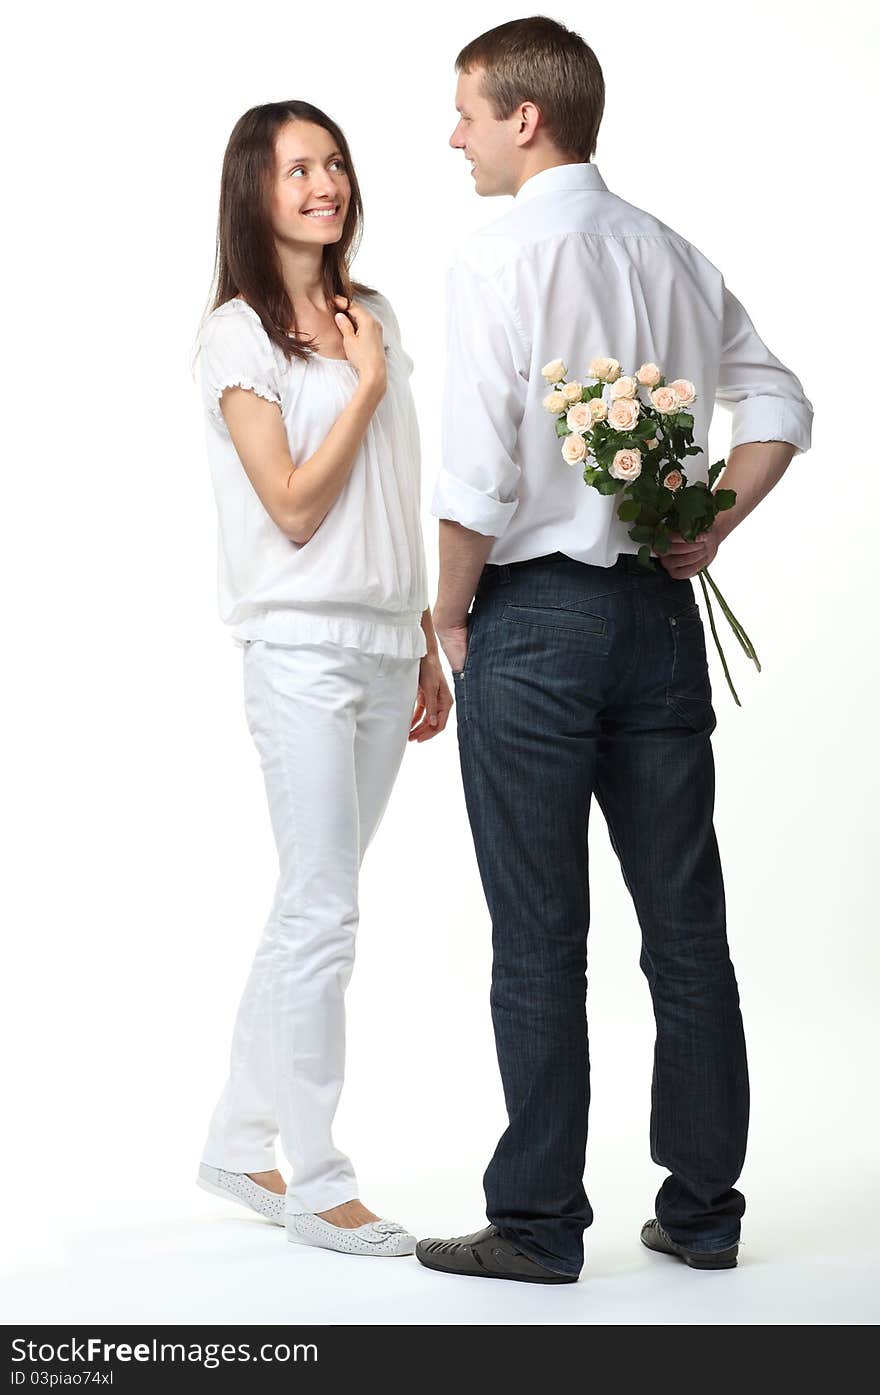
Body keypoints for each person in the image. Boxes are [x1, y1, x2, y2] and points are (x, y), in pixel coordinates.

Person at [416, 17, 813, 1284]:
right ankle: (702, 1213)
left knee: (538, 938)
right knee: (685, 928)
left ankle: (536, 1228)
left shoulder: (495, 257)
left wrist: (447, 613)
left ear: (525, 117)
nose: (455, 135)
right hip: (655, 614)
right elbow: (781, 401)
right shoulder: (669, 251)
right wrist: (707, 525)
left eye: (467, 112)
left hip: (530, 615)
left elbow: (477, 476)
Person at [195, 101, 452, 1258]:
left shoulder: (371, 313)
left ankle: (239, 1143)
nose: (324, 182)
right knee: (325, 912)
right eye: (298, 167)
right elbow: (293, 508)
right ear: (255, 189)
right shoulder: (236, 338)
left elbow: (389, 497)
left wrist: (424, 637)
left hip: (382, 644)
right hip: (298, 649)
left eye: (335, 162)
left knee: (311, 900)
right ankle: (317, 1178)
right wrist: (361, 388)